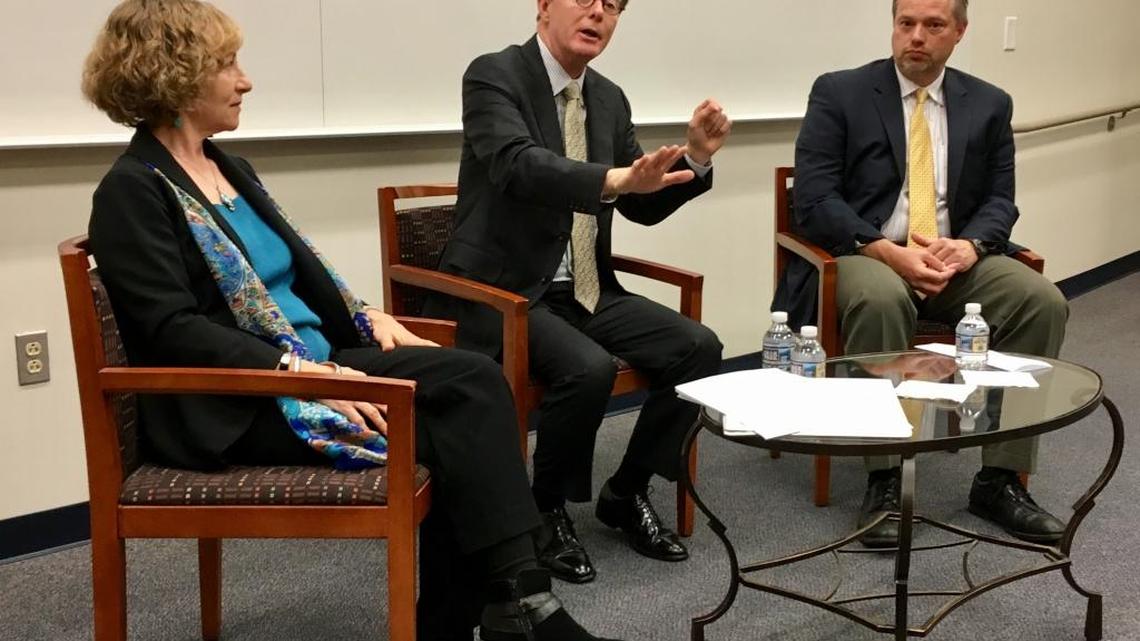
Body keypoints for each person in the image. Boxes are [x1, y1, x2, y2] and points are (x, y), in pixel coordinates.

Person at [81, 2, 623, 640]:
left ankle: (504, 609)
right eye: (226, 65)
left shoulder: (228, 167)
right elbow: (171, 328)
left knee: (475, 378)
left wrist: (365, 314)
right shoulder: (131, 191)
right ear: (172, 75)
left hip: (319, 361)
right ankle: (516, 611)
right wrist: (302, 374)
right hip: (241, 401)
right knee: (458, 425)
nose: (245, 80)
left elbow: (300, 272)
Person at [423, 0, 731, 583]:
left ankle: (626, 490)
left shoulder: (609, 98)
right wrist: (614, 179)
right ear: (543, 6)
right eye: (585, 0)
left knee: (700, 348)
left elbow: (637, 203)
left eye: (612, 6)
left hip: (588, 288)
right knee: (586, 369)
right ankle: (544, 510)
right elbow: (519, 165)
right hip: (506, 292)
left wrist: (694, 158)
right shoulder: (494, 74)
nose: (598, 14)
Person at [774, 0, 1069, 548]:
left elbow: (1001, 199)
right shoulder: (840, 92)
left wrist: (972, 247)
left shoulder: (988, 103)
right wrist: (885, 249)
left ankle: (1000, 479)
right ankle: (885, 478)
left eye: (933, 25)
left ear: (958, 32)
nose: (916, 37)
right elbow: (814, 201)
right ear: (893, 27)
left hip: (954, 260)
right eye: (905, 23)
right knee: (884, 299)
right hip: (866, 255)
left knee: (1042, 300)